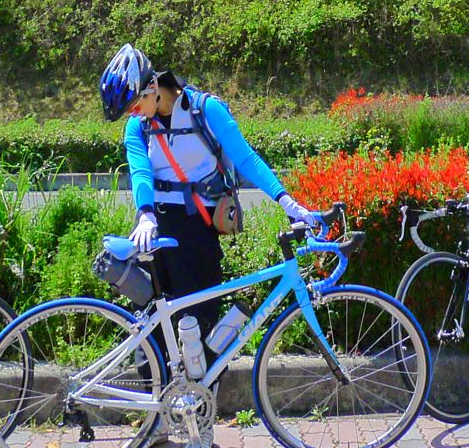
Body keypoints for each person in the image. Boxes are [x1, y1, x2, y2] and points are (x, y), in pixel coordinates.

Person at [99, 43, 321, 341]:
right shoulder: (137, 127)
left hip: (198, 224)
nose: (134, 114)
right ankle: (159, 382)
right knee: (153, 327)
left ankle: (197, 384)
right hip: (156, 226)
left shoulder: (205, 109)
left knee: (199, 323)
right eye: (128, 111)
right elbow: (140, 172)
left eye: (135, 105)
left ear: (151, 85)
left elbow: (246, 159)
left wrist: (287, 201)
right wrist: (145, 214)